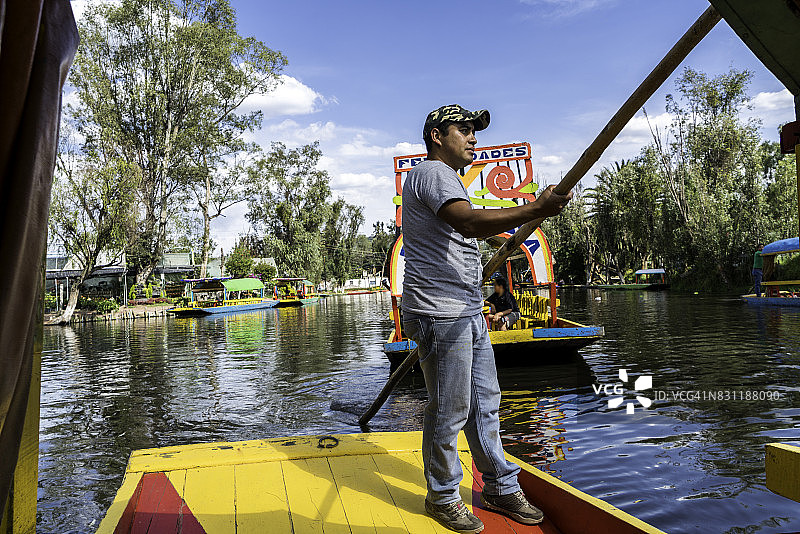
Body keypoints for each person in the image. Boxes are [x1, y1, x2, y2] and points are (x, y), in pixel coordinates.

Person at [401, 104, 572, 533]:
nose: (474, 137)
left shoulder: (446, 180)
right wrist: (535, 208)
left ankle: (499, 485)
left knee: (485, 403)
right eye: (464, 129)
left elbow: (468, 230)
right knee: (450, 408)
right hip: (440, 313)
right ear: (437, 136)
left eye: (475, 130)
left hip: (465, 306)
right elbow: (469, 222)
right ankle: (442, 495)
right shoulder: (432, 173)